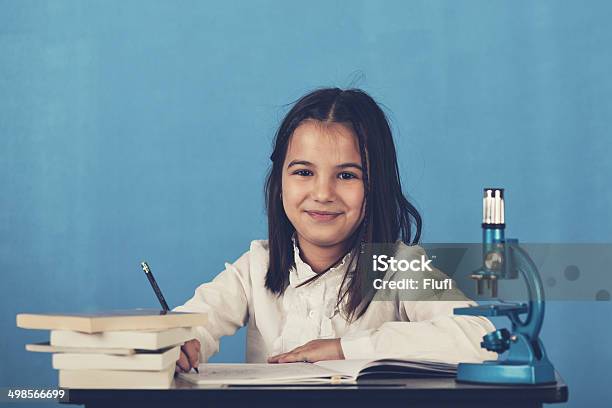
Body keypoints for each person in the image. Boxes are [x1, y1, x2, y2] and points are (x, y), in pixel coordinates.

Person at [173, 88, 496, 373]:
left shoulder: (398, 266)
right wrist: (181, 341)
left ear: (376, 185)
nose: (323, 193)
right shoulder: (255, 267)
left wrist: (346, 348)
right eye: (303, 172)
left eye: (346, 176)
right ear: (279, 184)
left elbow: (480, 338)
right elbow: (191, 323)